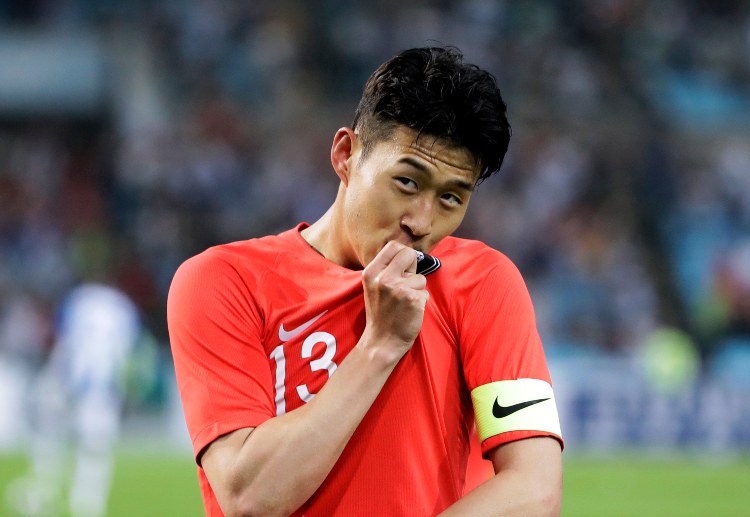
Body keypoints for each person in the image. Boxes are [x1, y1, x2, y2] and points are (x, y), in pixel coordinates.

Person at [168, 46, 563, 517]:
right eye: (407, 182)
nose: (421, 222)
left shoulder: (484, 283)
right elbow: (249, 498)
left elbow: (535, 490)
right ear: (346, 155)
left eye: (451, 198)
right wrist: (379, 346)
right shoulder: (223, 283)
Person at [6, 283, 141, 517]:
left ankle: (45, 489)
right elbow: (130, 351)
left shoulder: (78, 300)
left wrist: (58, 376)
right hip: (104, 386)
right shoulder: (124, 307)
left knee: (51, 435)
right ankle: (87, 504)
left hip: (72, 378)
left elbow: (63, 340)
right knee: (95, 448)